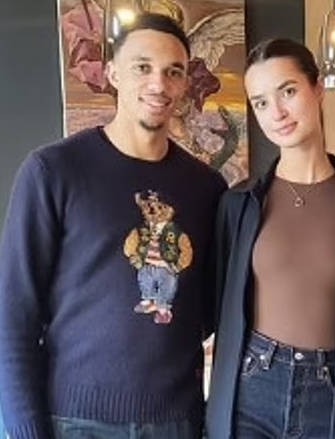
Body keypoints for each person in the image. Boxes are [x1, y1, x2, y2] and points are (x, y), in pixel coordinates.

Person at [0, 13, 227, 439]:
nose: (158, 84)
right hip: (74, 421)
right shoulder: (52, 172)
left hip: (175, 422)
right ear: (113, 73)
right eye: (143, 67)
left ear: (184, 83)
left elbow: (212, 307)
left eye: (173, 72)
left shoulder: (207, 187)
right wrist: (26, 428)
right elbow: (13, 316)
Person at [205, 38, 335, 438]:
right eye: (261, 102)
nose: (277, 113)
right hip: (252, 388)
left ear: (317, 88)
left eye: (288, 91)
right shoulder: (239, 204)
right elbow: (217, 306)